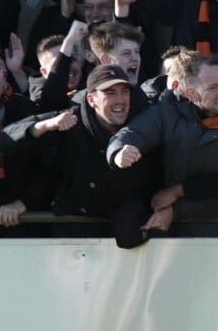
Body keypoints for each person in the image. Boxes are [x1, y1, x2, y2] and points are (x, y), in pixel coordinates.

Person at [107, 51, 218, 230]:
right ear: (189, 93)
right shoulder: (167, 110)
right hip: (164, 213)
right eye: (212, 88)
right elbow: (134, 132)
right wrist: (119, 151)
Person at [2, 65, 161, 247]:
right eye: (110, 93)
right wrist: (44, 126)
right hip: (72, 233)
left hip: (124, 236)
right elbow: (7, 139)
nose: (120, 100)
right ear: (91, 99)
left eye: (124, 92)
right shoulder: (69, 121)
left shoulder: (141, 121)